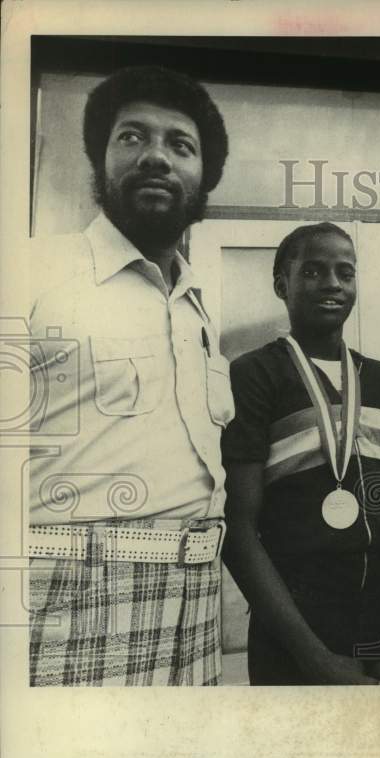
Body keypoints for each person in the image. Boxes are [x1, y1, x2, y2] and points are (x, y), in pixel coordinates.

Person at [28, 66, 231, 685]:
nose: (156, 158)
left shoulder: (194, 304)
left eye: (180, 145)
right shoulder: (33, 270)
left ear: (204, 178)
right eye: (132, 138)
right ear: (101, 159)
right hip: (67, 594)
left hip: (197, 600)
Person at [221, 223, 380, 685]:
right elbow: (238, 530)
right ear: (282, 284)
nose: (333, 283)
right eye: (313, 271)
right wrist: (314, 657)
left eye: (345, 272)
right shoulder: (254, 375)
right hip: (293, 630)